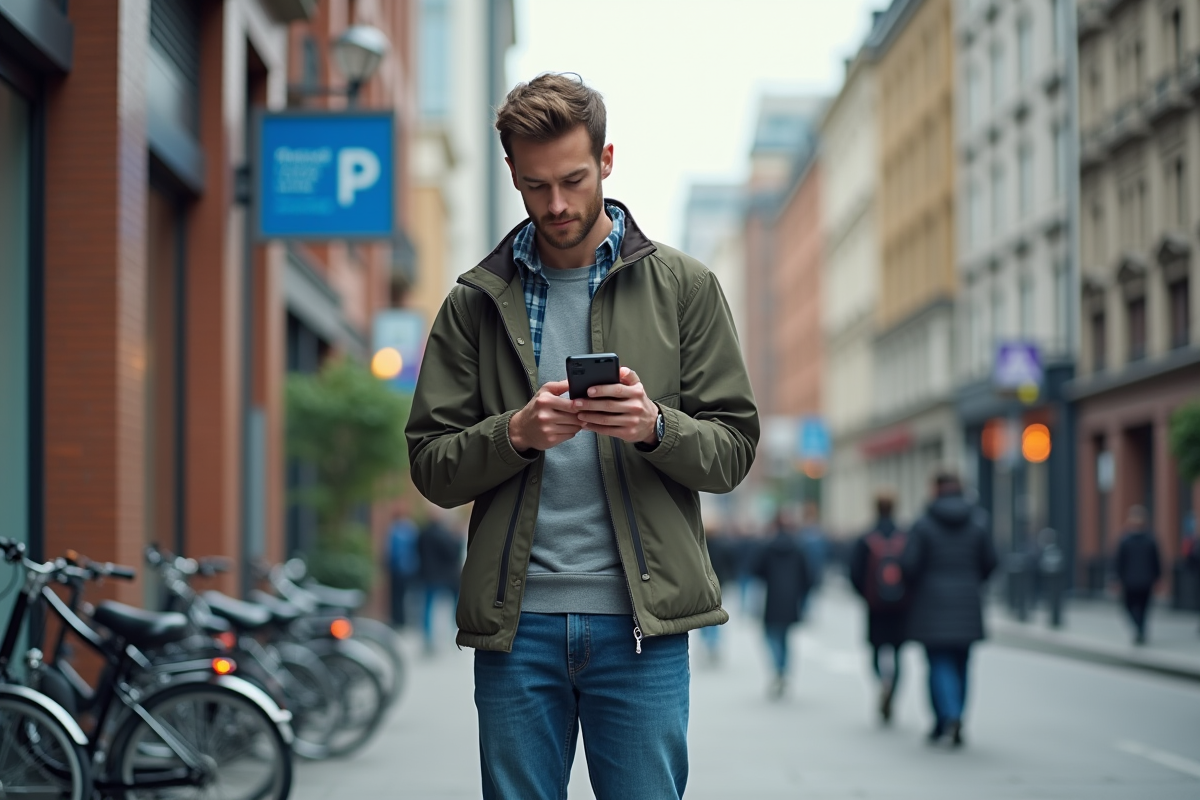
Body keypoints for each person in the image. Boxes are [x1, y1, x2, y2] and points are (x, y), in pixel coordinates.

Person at [404, 73, 759, 800]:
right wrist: (516, 433)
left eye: (572, 179)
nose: (556, 205)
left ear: (607, 160)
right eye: (535, 186)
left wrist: (656, 427)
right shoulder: (473, 303)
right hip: (516, 629)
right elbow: (431, 467)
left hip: (641, 627)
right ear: (511, 174)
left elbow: (732, 451)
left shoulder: (686, 288)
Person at [902, 471, 997, 748]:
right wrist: (972, 582)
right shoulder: (978, 522)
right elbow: (991, 561)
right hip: (968, 602)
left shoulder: (923, 524)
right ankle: (956, 717)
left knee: (938, 662)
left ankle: (947, 717)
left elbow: (909, 565)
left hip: (932, 604)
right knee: (962, 663)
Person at [848, 492, 908, 723]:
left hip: (875, 607)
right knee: (898, 654)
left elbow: (855, 573)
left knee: (875, 652)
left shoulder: (866, 538)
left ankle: (882, 682)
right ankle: (892, 689)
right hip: (899, 607)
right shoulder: (905, 536)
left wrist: (867, 595)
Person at [753, 511, 811, 699]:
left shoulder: (767, 547)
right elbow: (808, 576)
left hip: (773, 598)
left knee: (771, 636)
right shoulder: (798, 547)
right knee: (785, 637)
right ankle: (783, 669)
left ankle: (778, 669)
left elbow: (757, 570)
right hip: (791, 599)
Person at [418, 504, 465, 652]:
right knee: (453, 605)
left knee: (428, 607)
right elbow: (452, 554)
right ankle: (454, 634)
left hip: (428, 575)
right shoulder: (444, 534)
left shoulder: (423, 533)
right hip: (445, 576)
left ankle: (428, 638)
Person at [1114, 505, 1162, 645]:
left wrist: (1158, 577)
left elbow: (1156, 560)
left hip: (1141, 580)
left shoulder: (1149, 540)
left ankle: (1139, 628)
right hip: (1133, 580)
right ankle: (1139, 628)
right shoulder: (1126, 540)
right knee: (1132, 606)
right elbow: (1119, 561)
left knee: (1141, 606)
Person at [386, 502, 420, 628]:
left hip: (398, 568)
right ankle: (403, 619)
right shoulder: (411, 528)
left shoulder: (395, 528)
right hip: (409, 567)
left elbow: (393, 551)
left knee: (397, 595)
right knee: (405, 595)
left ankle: (398, 619)